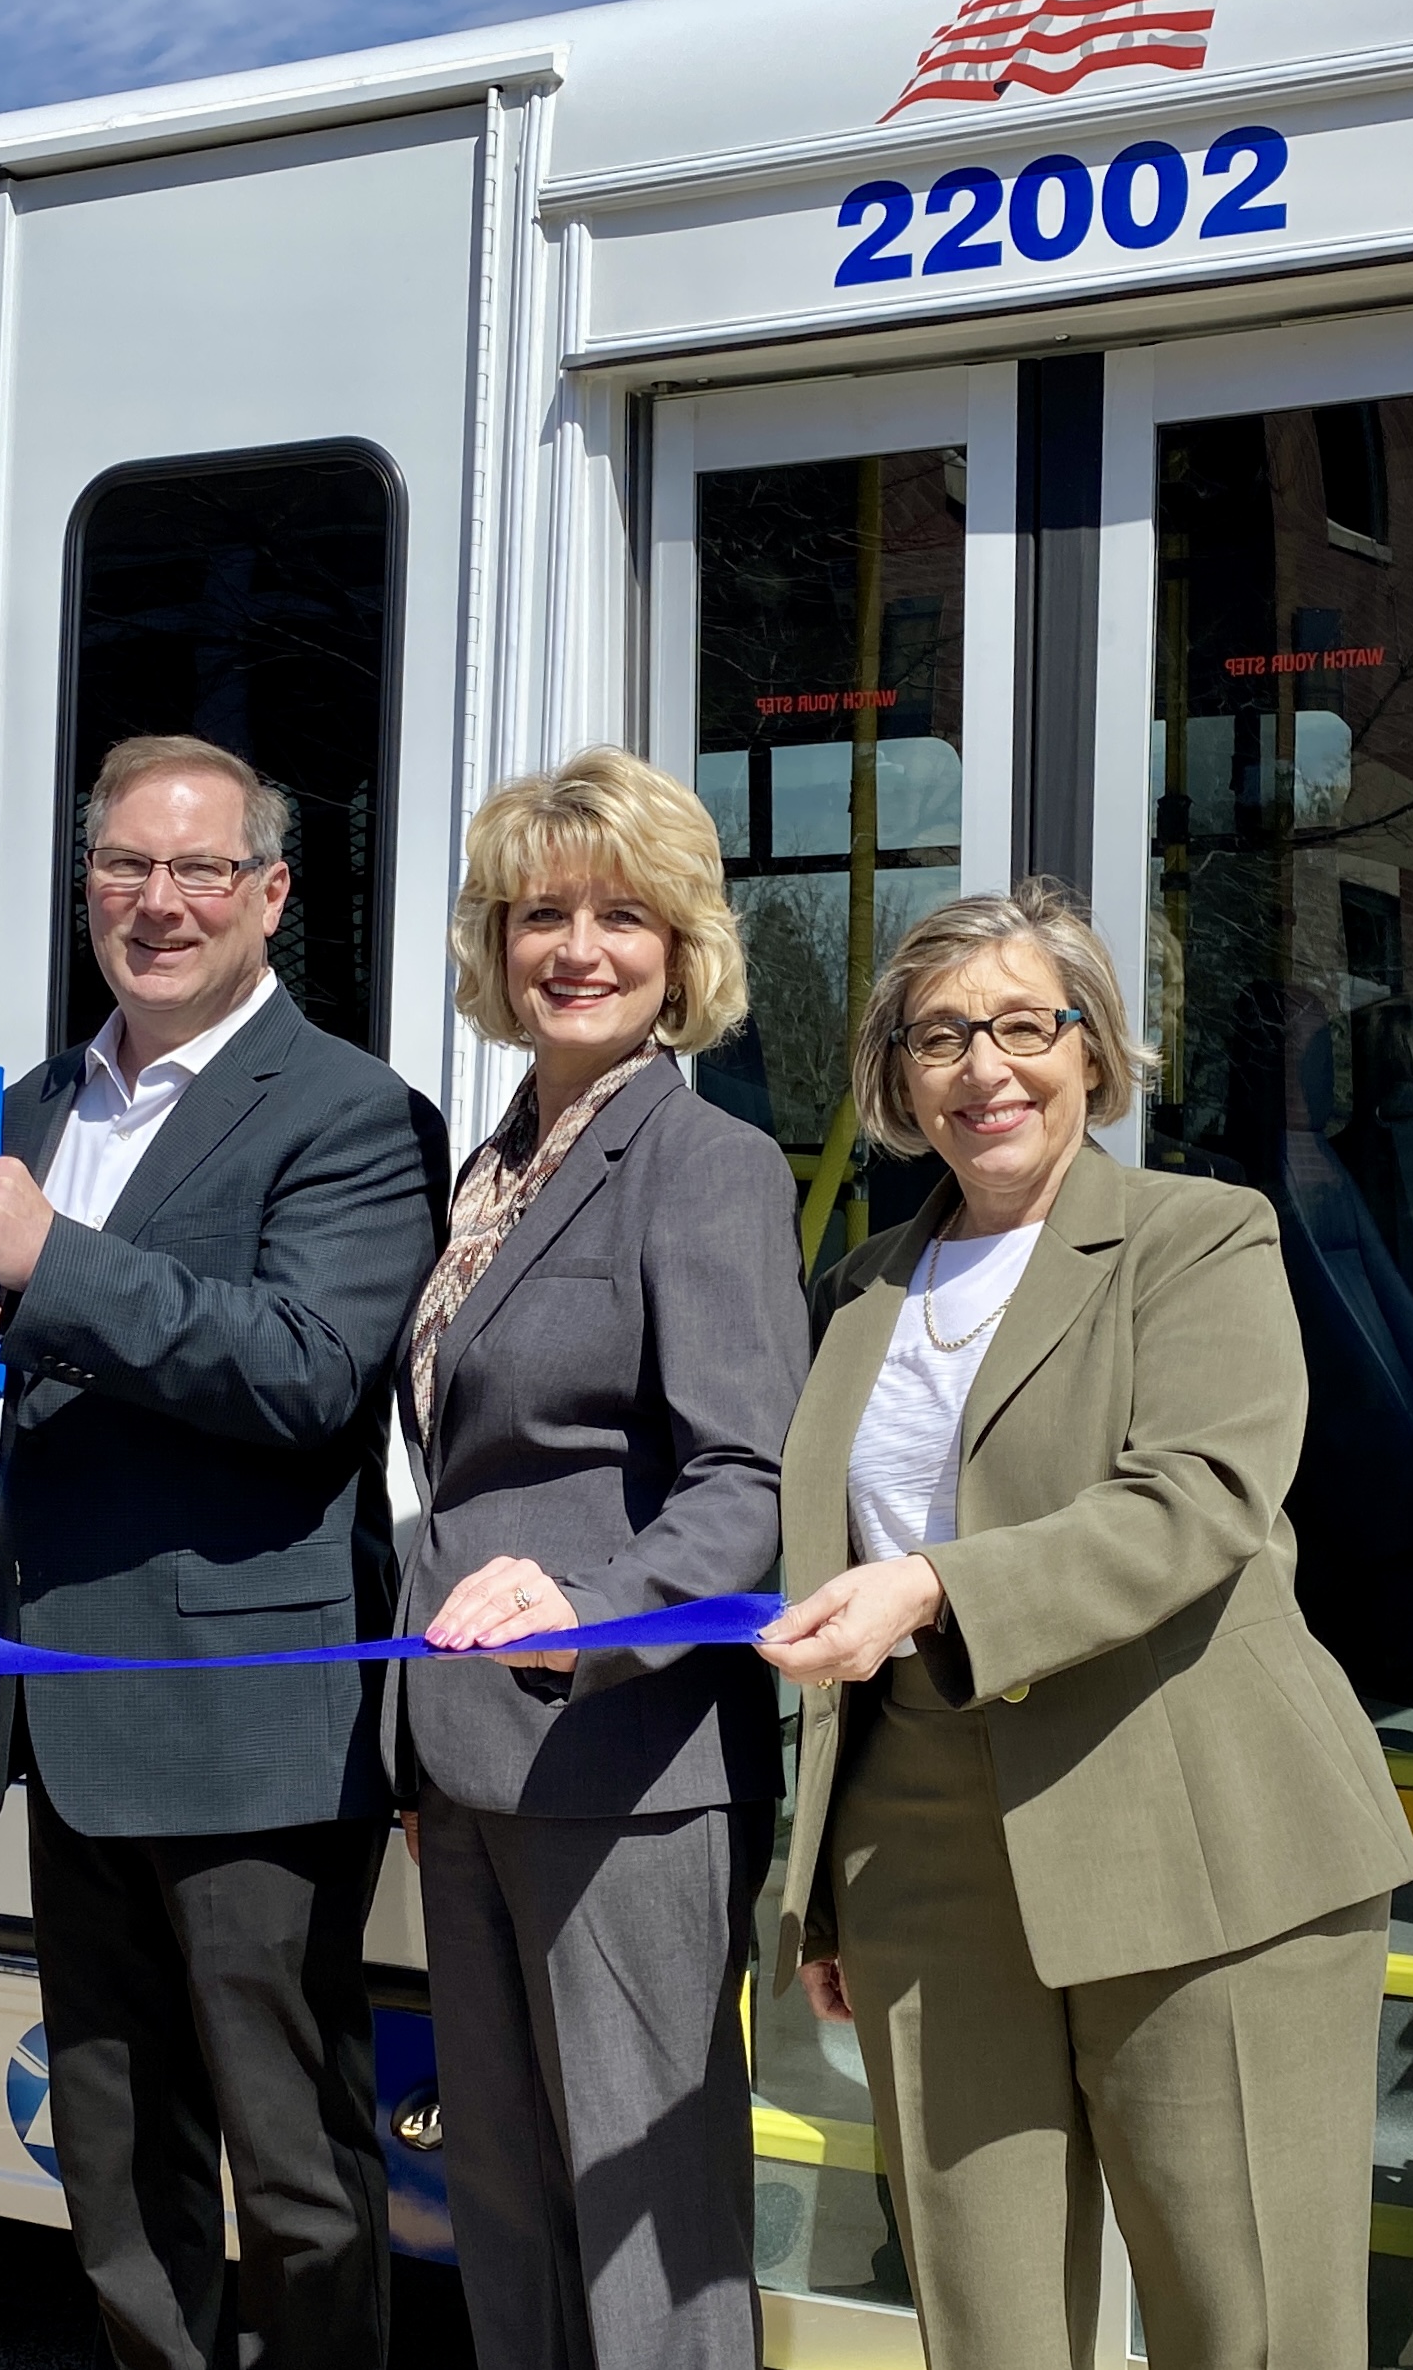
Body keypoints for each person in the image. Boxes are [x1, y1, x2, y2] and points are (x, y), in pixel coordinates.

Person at [760, 878, 1413, 2370]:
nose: (983, 1069)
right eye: (938, 1037)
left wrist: (932, 1589)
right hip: (924, 1851)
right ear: (893, 1074)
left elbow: (1195, 1501)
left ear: (1091, 1047)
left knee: (1244, 2322)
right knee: (983, 2323)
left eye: (1020, 1026)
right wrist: (832, 1887)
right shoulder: (860, 1289)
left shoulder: (1204, 1236)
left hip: (1199, 1832)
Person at [0, 734, 443, 2370]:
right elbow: (18, 1304)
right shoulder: (45, 1097)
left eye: (199, 869)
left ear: (271, 895)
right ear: (86, 892)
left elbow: (304, 1374)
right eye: (124, 868)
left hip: (250, 1722)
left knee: (297, 2173)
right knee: (118, 2162)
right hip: (69, 1708)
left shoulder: (356, 1112)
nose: (158, 903)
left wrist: (42, 1258)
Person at [393, 749, 804, 2369]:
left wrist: (594, 1605)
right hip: (476, 1763)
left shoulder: (705, 1166)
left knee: (648, 2230)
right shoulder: (493, 1166)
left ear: (683, 950)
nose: (579, 947)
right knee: (506, 2200)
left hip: (627, 1766)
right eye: (542, 912)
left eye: (623, 914)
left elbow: (744, 1482)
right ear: (496, 947)